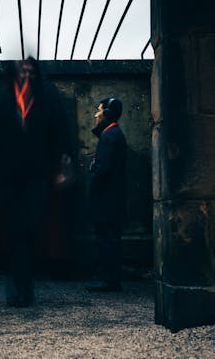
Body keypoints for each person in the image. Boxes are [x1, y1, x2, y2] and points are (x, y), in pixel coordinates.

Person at [0, 56, 71, 307]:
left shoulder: (46, 101)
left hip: (36, 177)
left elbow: (58, 135)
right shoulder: (1, 102)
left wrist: (62, 165)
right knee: (14, 231)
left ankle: (24, 286)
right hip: (8, 178)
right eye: (23, 70)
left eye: (31, 70)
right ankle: (20, 288)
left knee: (29, 230)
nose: (27, 74)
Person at [85, 97, 127, 292]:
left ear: (107, 114)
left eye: (99, 110)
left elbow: (102, 169)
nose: (96, 114)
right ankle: (111, 278)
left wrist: (92, 182)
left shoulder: (109, 136)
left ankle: (109, 280)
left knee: (106, 238)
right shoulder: (113, 134)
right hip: (113, 197)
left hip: (106, 198)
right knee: (110, 237)